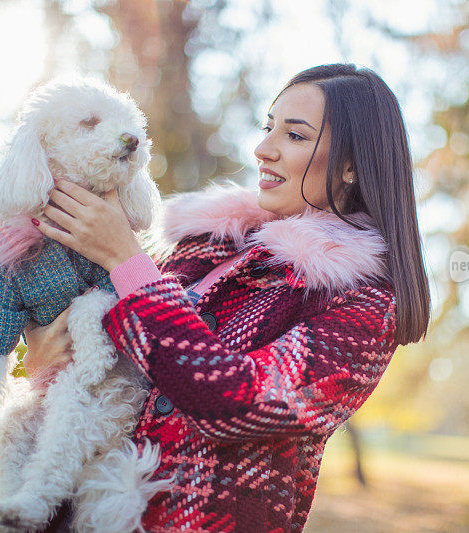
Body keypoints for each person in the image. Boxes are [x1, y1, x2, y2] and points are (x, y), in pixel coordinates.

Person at [27, 63, 431, 532]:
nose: (263, 149)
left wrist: (124, 260)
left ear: (351, 165)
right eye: (268, 127)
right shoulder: (205, 244)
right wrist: (41, 361)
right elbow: (97, 368)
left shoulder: (364, 306)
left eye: (295, 136)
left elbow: (233, 403)